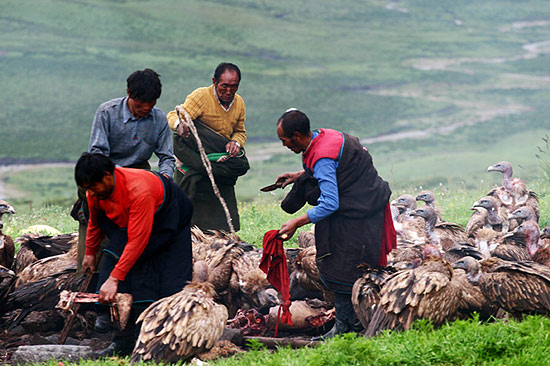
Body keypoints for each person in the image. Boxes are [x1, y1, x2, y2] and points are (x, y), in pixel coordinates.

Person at [275, 109, 396, 340]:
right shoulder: (324, 135)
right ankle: (349, 324)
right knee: (344, 263)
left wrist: (297, 223)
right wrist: (300, 175)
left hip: (361, 210)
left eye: (285, 141)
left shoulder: (321, 157)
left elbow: (330, 203)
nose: (284, 145)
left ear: (298, 136)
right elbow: (332, 166)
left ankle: (346, 327)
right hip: (365, 200)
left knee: (342, 265)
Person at [75, 152, 193, 356]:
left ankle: (166, 341)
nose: (91, 193)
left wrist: (114, 279)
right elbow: (95, 222)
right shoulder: (94, 191)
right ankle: (124, 340)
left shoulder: (140, 191)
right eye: (87, 189)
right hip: (130, 221)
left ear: (107, 176)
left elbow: (138, 241)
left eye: (93, 187)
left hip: (168, 218)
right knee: (121, 266)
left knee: (167, 281)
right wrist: (90, 252)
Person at [74, 68, 175, 272]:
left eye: (151, 103)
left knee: (148, 229)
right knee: (96, 222)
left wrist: (164, 179)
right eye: (140, 104)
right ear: (129, 93)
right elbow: (98, 155)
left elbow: (167, 157)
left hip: (141, 178)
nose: (146, 108)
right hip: (105, 176)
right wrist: (117, 179)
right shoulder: (107, 113)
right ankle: (89, 267)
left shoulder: (159, 119)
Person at [166, 62, 249, 232]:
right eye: (224, 86)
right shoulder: (201, 97)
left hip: (219, 164)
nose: (228, 92)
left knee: (222, 220)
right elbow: (174, 115)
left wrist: (235, 142)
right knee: (190, 212)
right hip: (197, 161)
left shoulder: (239, 103)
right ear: (214, 82)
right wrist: (180, 125)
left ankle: (221, 239)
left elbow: (240, 131)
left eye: (234, 87)